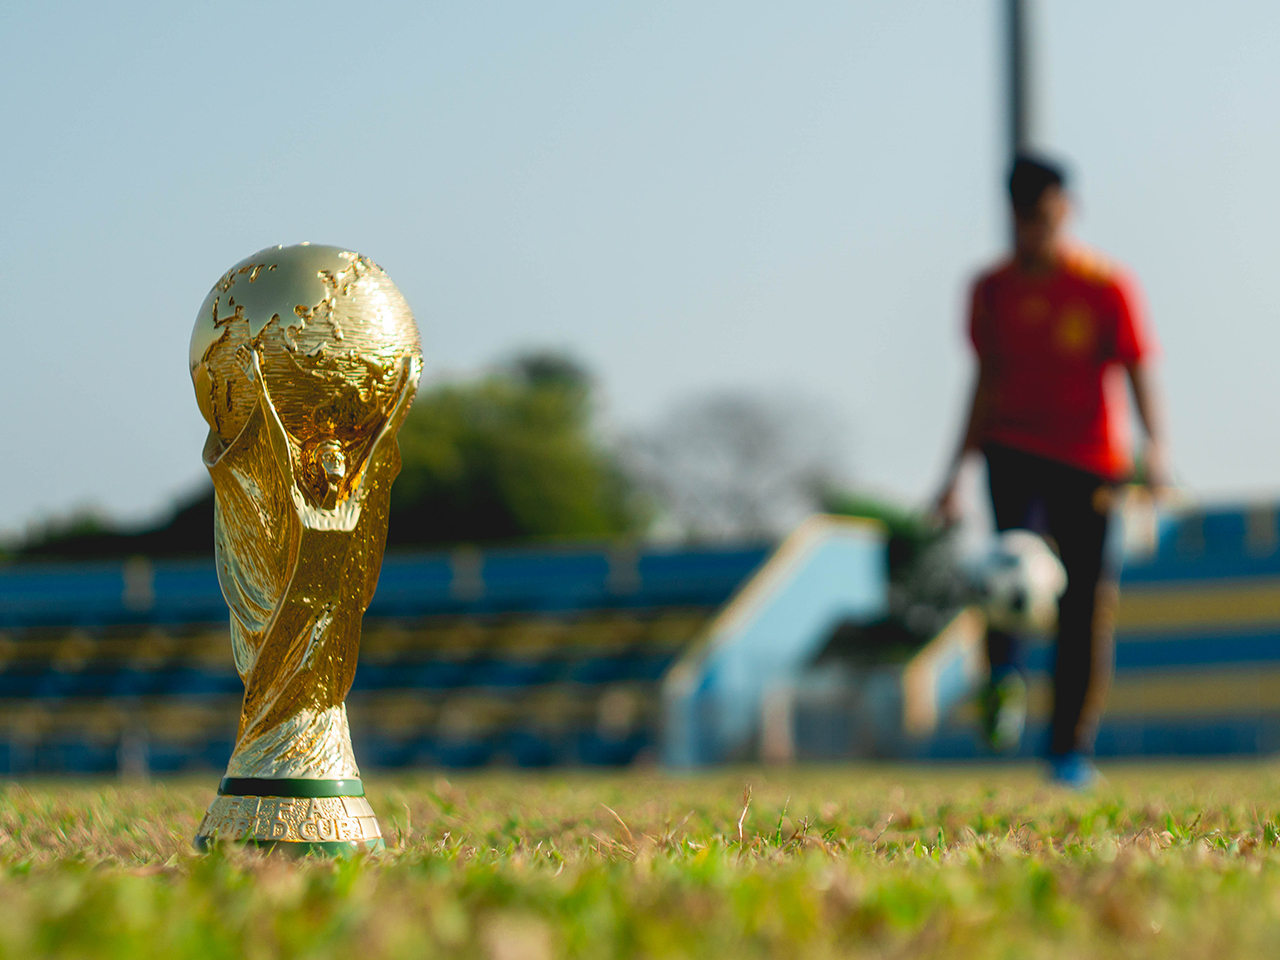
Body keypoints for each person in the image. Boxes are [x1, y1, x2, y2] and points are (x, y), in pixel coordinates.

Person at [934, 154, 1170, 788]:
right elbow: (982, 381)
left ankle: (1069, 750)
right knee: (1009, 569)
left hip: (1091, 465)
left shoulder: (1103, 286)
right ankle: (1003, 678)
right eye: (1024, 217)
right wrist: (952, 474)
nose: (1036, 228)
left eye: (1046, 214)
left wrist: (1157, 454)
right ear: (1010, 216)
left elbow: (1136, 367)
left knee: (1085, 607)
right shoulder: (992, 290)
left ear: (1066, 209)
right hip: (1013, 452)